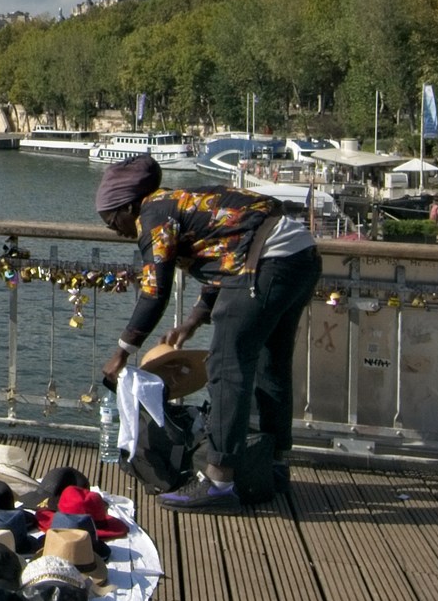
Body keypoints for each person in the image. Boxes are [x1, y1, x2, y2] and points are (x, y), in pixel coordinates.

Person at [95, 155, 322, 511]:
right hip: (299, 255)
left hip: (266, 262)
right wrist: (193, 321)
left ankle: (218, 480)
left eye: (112, 221)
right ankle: (272, 464)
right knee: (270, 363)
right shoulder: (180, 202)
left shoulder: (153, 214)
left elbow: (155, 291)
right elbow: (227, 254)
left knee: (226, 366)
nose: (116, 231)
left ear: (128, 206)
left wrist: (123, 351)